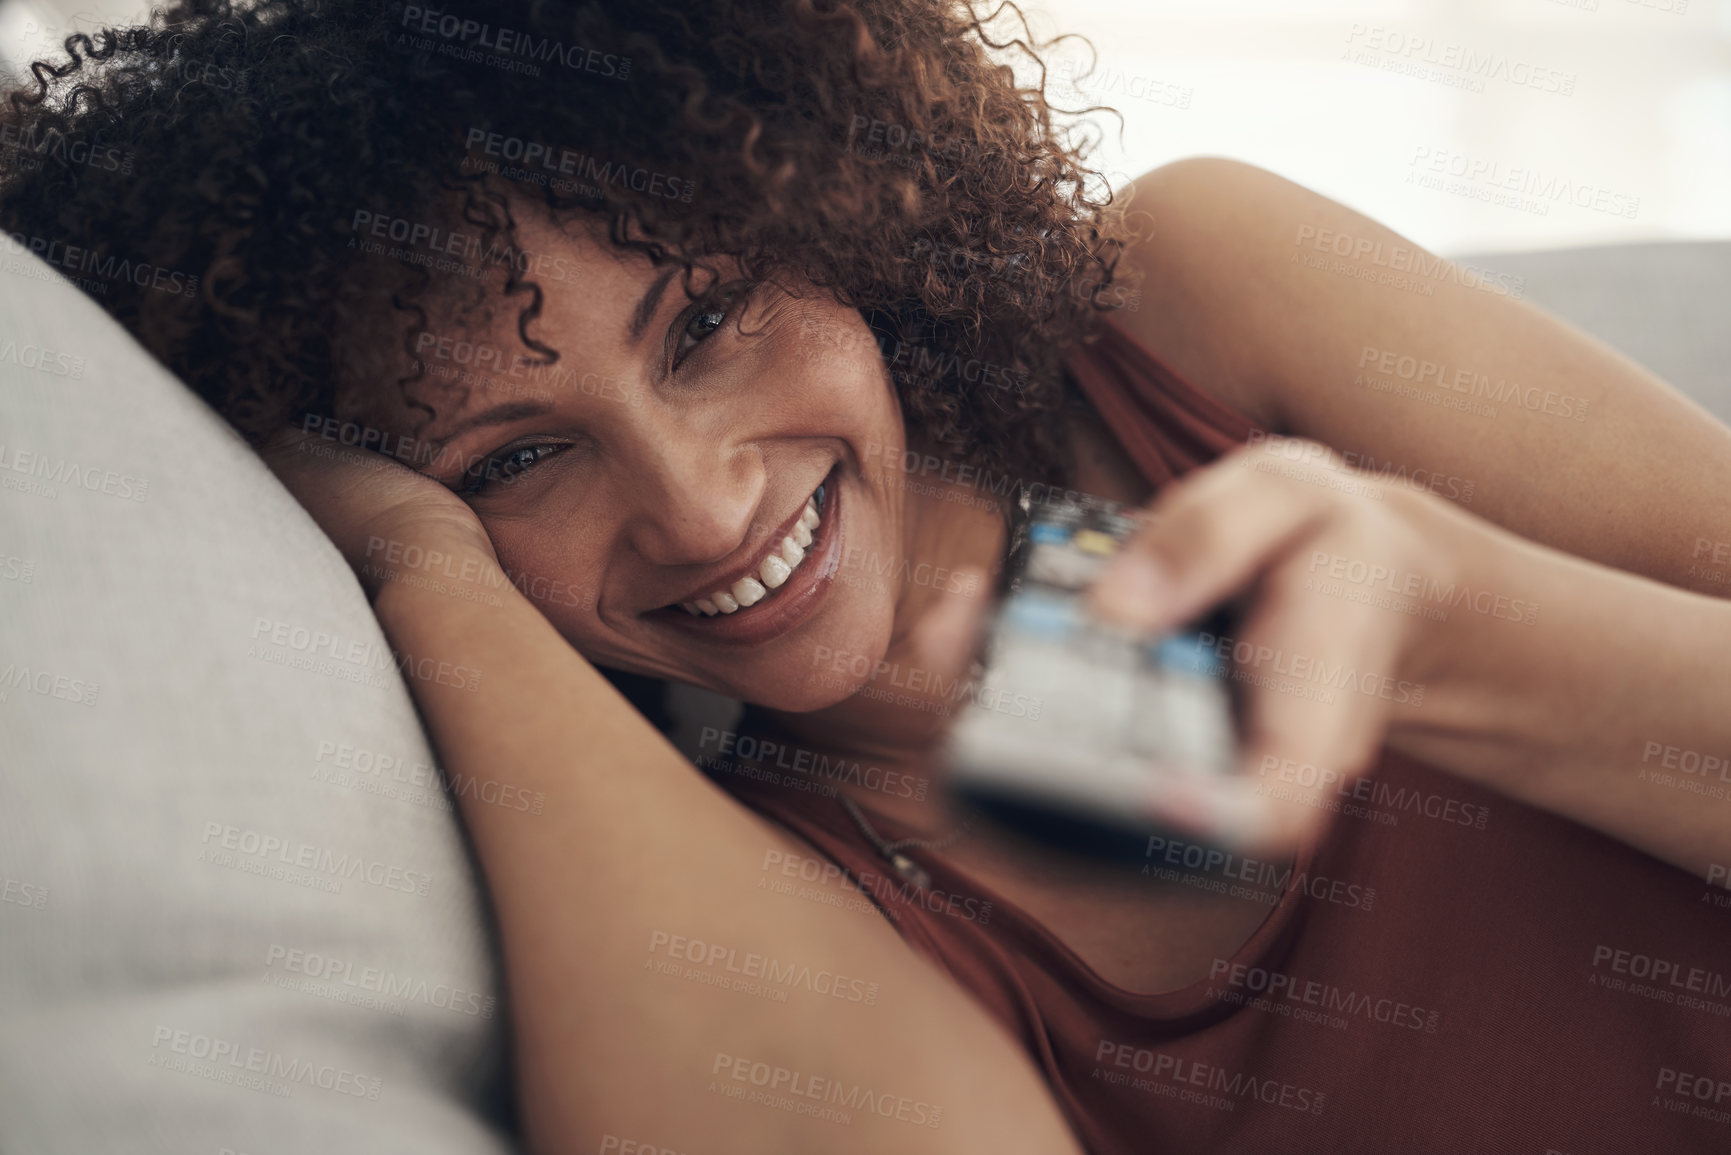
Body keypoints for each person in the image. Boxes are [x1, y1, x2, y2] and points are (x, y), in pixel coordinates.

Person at [6, 1, 1731, 1151]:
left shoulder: (1193, 306)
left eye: (708, 321)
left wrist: (1439, 626)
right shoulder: (730, 872)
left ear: (844, 217)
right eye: (516, 457)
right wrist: (423, 570)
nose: (696, 507)